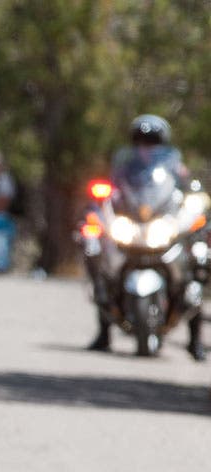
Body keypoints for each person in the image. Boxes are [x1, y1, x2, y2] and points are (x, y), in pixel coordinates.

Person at [87, 114, 205, 360]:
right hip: (133, 227)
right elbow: (110, 190)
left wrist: (190, 194)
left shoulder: (173, 167)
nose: (146, 147)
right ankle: (103, 332)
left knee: (196, 262)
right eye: (141, 141)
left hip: (161, 226)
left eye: (151, 141)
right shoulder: (124, 168)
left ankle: (196, 341)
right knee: (102, 262)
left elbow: (186, 188)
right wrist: (104, 196)